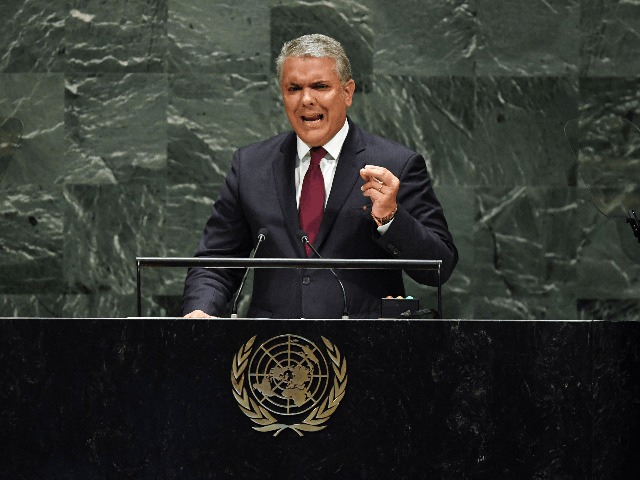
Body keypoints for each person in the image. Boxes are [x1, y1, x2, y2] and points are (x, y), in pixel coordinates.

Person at [182, 34, 457, 319]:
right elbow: (217, 262)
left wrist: (390, 218)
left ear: (347, 92)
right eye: (294, 88)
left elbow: (439, 268)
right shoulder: (251, 165)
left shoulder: (396, 164)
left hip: (365, 349)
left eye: (320, 87)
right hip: (272, 353)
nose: (306, 99)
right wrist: (200, 311)